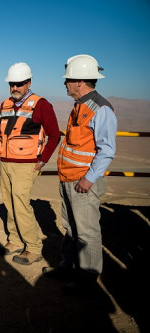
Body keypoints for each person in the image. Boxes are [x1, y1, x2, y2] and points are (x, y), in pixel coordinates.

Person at [43, 55, 117, 292]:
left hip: (83, 182)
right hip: (70, 179)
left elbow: (106, 149)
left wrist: (89, 178)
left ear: (80, 81)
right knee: (71, 227)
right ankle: (68, 266)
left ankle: (87, 281)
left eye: (68, 80)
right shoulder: (80, 106)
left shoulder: (100, 109)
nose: (64, 84)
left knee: (87, 232)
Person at [0, 62, 60, 265]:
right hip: (6, 162)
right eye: (12, 84)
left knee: (21, 204)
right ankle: (14, 240)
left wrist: (42, 160)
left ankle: (33, 248)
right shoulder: (5, 104)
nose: (15, 87)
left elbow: (54, 134)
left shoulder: (41, 105)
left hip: (27, 164)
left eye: (20, 84)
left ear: (29, 83)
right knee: (9, 203)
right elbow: (3, 132)